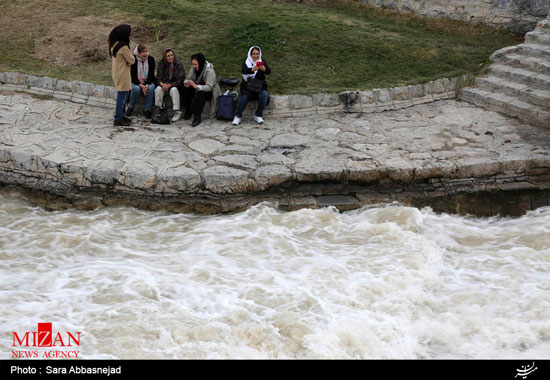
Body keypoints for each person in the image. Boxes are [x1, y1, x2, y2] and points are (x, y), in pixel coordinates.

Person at [232, 46, 271, 126]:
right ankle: (238, 116)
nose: (256, 56)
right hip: (247, 87)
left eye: (257, 54)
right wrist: (252, 69)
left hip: (259, 87)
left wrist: (264, 69)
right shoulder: (246, 62)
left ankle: (258, 115)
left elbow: (268, 71)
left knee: (264, 94)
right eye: (254, 54)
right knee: (244, 97)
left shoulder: (262, 62)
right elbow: (243, 70)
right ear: (250, 54)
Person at [182, 53, 221, 127]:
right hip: (196, 86)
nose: (194, 66)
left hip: (209, 91)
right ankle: (188, 110)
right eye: (193, 64)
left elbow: (209, 87)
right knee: (185, 88)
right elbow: (189, 78)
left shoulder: (209, 71)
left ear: (201, 62)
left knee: (200, 93)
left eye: (196, 64)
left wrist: (197, 87)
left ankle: (197, 117)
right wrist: (187, 82)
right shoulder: (194, 68)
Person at [108, 24, 135, 127]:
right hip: (123, 74)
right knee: (122, 97)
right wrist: (131, 58)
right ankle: (118, 119)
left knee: (122, 95)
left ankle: (122, 115)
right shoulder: (123, 46)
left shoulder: (114, 44)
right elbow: (131, 60)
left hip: (117, 73)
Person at [154, 48, 186, 122]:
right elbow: (158, 77)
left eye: (172, 55)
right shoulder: (162, 63)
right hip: (164, 83)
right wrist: (162, 84)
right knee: (158, 89)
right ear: (165, 57)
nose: (170, 57)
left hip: (175, 85)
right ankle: (158, 109)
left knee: (174, 90)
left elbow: (180, 79)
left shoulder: (178, 64)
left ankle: (176, 111)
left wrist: (170, 85)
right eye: (168, 56)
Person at [128, 44, 156, 119]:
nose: (145, 54)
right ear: (138, 53)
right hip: (137, 81)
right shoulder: (134, 59)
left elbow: (151, 74)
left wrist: (146, 84)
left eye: (146, 51)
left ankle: (147, 109)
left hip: (148, 81)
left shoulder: (150, 59)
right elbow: (132, 75)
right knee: (136, 89)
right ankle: (131, 107)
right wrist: (140, 85)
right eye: (143, 52)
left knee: (150, 88)